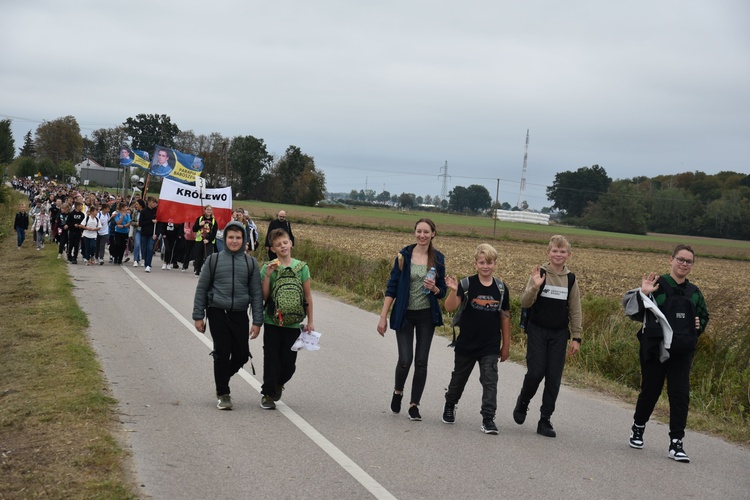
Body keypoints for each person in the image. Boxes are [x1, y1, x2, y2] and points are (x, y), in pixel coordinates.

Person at [624, 244, 709, 463]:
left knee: (680, 395)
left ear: (692, 265)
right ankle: (638, 427)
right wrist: (643, 293)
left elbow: (703, 317)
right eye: (680, 259)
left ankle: (676, 443)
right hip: (655, 348)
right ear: (670, 260)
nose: (684, 264)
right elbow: (633, 312)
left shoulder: (694, 293)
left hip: (682, 351)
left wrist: (698, 326)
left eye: (688, 261)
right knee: (650, 391)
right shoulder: (656, 284)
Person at [377, 218, 447, 421]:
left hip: (426, 315)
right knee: (405, 360)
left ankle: (414, 405)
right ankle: (398, 391)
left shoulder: (438, 259)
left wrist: (435, 289)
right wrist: (383, 317)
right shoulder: (403, 256)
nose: (422, 235)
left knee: (422, 362)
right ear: (414, 233)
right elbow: (392, 286)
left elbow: (441, 290)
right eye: (419, 231)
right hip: (405, 314)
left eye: (426, 232)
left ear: (433, 233)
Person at [512, 235, 582, 438]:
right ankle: (523, 402)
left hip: (559, 334)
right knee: (535, 372)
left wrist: (576, 337)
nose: (558, 255)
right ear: (548, 252)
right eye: (554, 251)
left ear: (568, 255)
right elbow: (525, 302)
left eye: (562, 252)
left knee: (553, 378)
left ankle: (545, 419)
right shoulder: (539, 273)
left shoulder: (570, 279)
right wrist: (535, 286)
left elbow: (575, 309)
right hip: (537, 331)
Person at [192, 221, 264, 410]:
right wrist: (198, 316)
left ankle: (222, 377)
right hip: (217, 312)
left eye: (238, 238)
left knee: (241, 355)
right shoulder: (213, 260)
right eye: (231, 237)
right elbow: (202, 289)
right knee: (222, 353)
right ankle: (223, 393)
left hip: (240, 314)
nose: (234, 241)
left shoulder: (251, 263)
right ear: (225, 239)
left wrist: (258, 321)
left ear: (244, 240)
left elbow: (256, 294)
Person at [442, 243, 511, 434]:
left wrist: (506, 345)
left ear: (495, 264)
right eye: (482, 262)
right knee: (459, 378)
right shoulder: (466, 285)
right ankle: (450, 403)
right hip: (466, 343)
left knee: (490, 380)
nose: (485, 266)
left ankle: (488, 418)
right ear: (475, 264)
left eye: (489, 262)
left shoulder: (501, 288)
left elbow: (505, 317)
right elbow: (449, 307)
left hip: (489, 344)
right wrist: (453, 290)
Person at [259, 228, 313, 410]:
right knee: (271, 358)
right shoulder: (269, 267)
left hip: (294, 323)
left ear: (291, 243)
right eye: (278, 244)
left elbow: (307, 297)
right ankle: (267, 393)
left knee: (289, 364)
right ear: (272, 248)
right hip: (272, 321)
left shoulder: (302, 268)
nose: (282, 246)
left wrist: (311, 321)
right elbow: (264, 297)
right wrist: (267, 276)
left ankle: (279, 383)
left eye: (285, 242)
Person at [193, 205, 217, 276]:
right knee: (198, 256)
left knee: (208, 256)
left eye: (210, 210)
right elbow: (194, 229)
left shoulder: (213, 221)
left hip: (209, 241)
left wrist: (208, 240)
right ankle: (197, 269)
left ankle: (207, 271)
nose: (209, 211)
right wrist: (199, 225)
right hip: (200, 239)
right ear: (205, 210)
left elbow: (214, 232)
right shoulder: (200, 219)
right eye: (207, 209)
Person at [139, 197, 158, 273]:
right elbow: (141, 223)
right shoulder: (143, 211)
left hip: (152, 234)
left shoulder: (156, 212)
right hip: (144, 233)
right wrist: (151, 221)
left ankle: (148, 265)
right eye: (153, 202)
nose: (154, 204)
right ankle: (145, 261)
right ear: (149, 202)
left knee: (150, 249)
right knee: (144, 248)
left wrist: (156, 233)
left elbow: (158, 224)